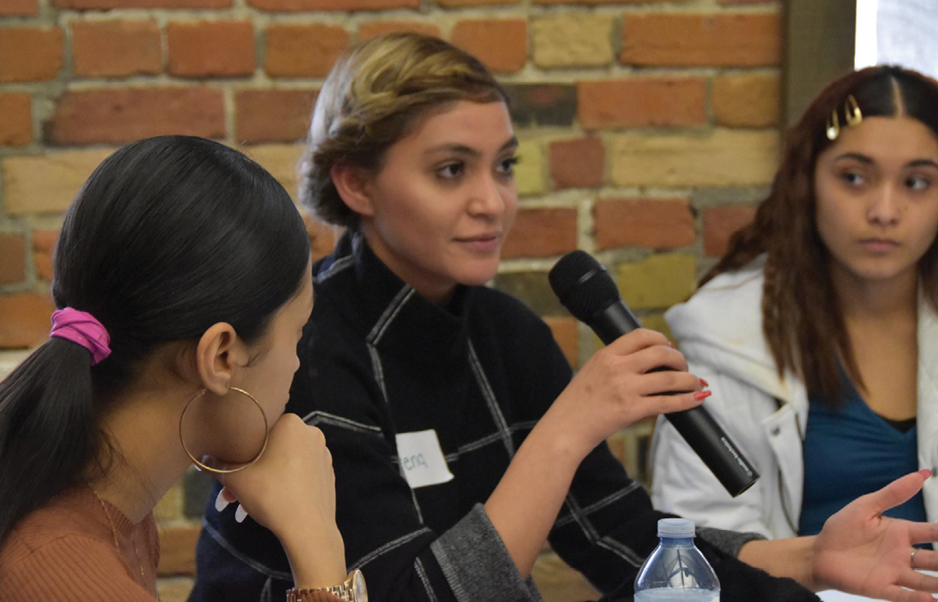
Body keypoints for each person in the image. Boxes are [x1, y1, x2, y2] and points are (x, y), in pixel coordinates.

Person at [190, 38, 938, 602]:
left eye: (505, 166)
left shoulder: (504, 334)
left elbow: (631, 548)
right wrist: (570, 424)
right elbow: (406, 595)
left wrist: (812, 559)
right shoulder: (308, 351)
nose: (494, 201)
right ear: (355, 182)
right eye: (452, 170)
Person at [0, 136, 356, 602]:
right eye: (298, 333)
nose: (297, 362)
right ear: (221, 358)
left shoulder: (107, 508)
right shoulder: (60, 567)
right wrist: (317, 546)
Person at [651, 66, 938, 541]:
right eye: (854, 177)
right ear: (807, 183)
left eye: (916, 183)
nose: (885, 211)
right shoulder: (728, 337)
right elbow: (699, 541)